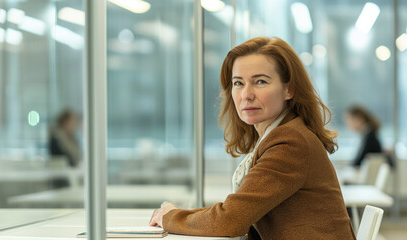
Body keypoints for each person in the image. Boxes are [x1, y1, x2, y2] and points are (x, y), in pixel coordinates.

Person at [149, 37, 355, 239]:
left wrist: (171, 218)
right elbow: (235, 210)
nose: (246, 94)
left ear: (288, 89)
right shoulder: (281, 133)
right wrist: (176, 215)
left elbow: (230, 220)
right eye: (238, 83)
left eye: (260, 82)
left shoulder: (290, 143)